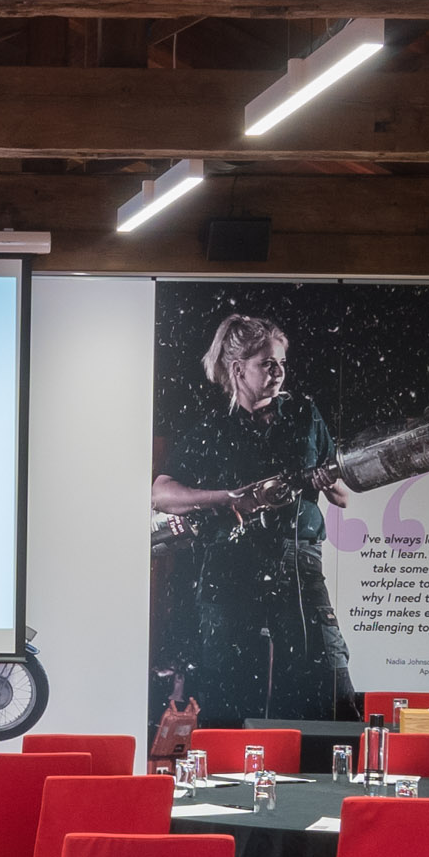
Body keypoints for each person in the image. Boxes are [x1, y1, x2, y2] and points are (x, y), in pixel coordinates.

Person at [150, 309, 355, 728]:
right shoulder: (211, 429)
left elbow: (342, 497)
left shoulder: (304, 415)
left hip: (297, 562)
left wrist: (327, 476)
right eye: (268, 364)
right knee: (228, 683)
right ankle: (226, 780)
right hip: (230, 568)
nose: (279, 372)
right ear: (238, 369)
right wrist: (227, 499)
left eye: (282, 363)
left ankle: (330, 780)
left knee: (327, 679)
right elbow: (161, 493)